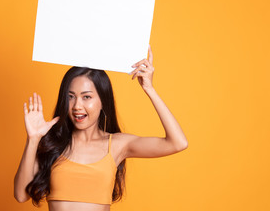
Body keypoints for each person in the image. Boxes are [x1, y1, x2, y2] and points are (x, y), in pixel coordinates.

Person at [14, 46, 188, 211]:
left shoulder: (117, 144)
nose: (77, 106)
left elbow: (177, 143)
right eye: (71, 97)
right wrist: (33, 139)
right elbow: (21, 195)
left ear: (102, 100)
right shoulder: (53, 142)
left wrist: (149, 88)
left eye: (86, 97)